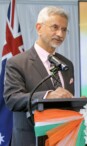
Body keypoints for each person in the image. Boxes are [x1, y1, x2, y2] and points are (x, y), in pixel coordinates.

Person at [4, 6, 74, 146]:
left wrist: (78, 103)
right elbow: (12, 99)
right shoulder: (17, 63)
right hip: (31, 140)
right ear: (39, 28)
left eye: (64, 29)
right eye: (55, 27)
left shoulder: (67, 64)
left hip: (63, 139)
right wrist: (47, 96)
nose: (60, 34)